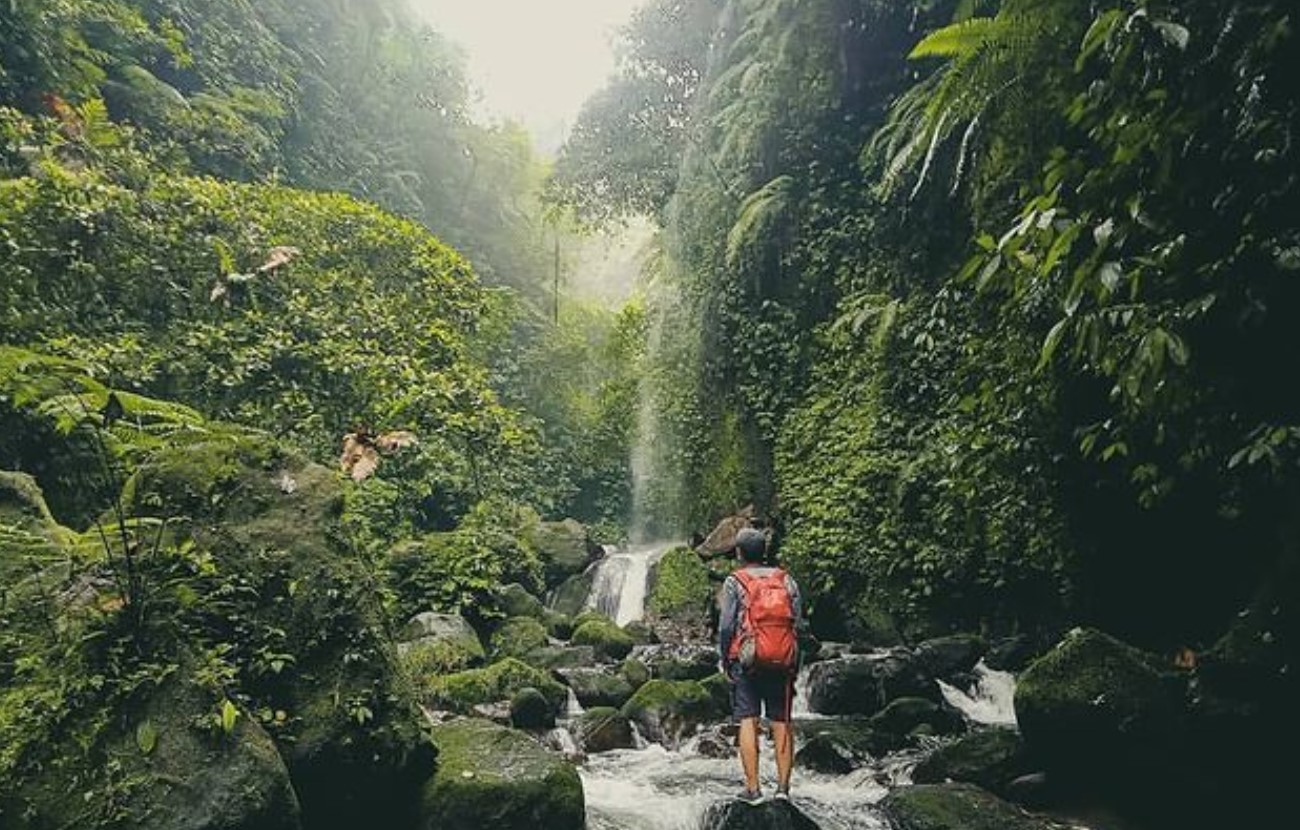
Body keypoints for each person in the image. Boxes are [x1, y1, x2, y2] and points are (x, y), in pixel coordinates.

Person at [718, 527, 802, 805]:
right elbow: (797, 623)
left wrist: (725, 658)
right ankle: (783, 789)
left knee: (748, 720)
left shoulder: (735, 581)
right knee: (782, 721)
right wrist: (793, 660)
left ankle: (753, 788)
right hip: (782, 658)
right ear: (764, 551)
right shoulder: (786, 579)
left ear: (740, 553)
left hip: (747, 658)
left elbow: (726, 625)